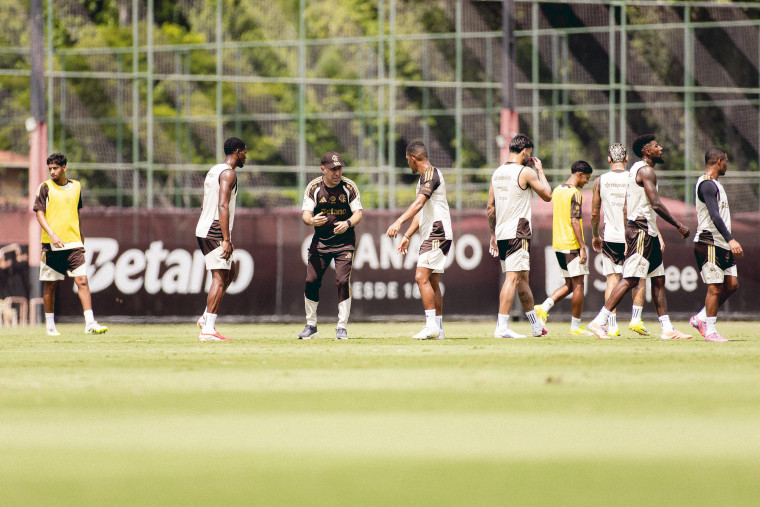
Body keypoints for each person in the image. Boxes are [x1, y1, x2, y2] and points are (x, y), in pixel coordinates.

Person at [587, 134, 692, 340]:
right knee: (630, 279)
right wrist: (678, 225)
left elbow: (628, 205)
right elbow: (656, 203)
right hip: (641, 231)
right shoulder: (645, 170)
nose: (661, 148)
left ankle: (667, 329)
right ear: (647, 151)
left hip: (646, 230)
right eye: (656, 146)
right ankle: (599, 321)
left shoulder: (634, 170)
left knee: (658, 280)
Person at [33, 153, 108, 336]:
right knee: (51, 285)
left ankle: (90, 323)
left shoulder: (76, 187)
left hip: (74, 243)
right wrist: (52, 235)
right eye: (50, 168)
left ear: (64, 167)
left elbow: (76, 214)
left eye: (55, 168)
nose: (52, 171)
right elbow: (39, 213)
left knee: (82, 281)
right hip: (52, 245)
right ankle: (50, 325)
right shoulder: (45, 187)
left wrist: (81, 238)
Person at [487, 133, 552, 338]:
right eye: (529, 154)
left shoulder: (497, 173)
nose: (529, 157)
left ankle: (535, 326)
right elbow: (548, 195)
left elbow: (490, 207)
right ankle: (502, 327)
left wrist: (492, 234)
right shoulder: (525, 172)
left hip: (502, 233)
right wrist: (540, 170)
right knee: (513, 278)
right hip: (518, 232)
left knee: (522, 278)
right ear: (524, 152)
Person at [386, 141, 452, 340]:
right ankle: (438, 329)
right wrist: (407, 235)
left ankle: (431, 326)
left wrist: (399, 221)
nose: (408, 164)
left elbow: (418, 203)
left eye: (408, 160)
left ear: (413, 159)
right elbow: (421, 211)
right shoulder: (425, 178)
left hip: (437, 233)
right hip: (435, 233)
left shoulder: (430, 174)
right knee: (432, 282)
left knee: (420, 277)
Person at [297, 151, 363, 340]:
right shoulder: (314, 187)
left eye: (339, 168)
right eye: (333, 169)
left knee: (342, 281)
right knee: (311, 281)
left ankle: (342, 327)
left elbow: (358, 213)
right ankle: (311, 326)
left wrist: (347, 223)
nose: (337, 173)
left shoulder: (349, 187)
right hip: (321, 242)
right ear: (323, 169)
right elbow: (306, 215)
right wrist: (311, 221)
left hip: (345, 243)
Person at [589, 143, 651, 336]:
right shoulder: (634, 176)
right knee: (638, 277)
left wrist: (595, 235)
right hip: (633, 234)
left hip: (610, 236)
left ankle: (612, 325)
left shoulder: (600, 181)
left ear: (609, 160)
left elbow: (594, 213)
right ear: (626, 159)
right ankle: (636, 319)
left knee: (612, 279)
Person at [195, 137, 247, 341]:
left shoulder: (214, 170)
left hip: (204, 227)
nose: (245, 157)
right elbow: (222, 205)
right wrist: (226, 238)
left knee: (230, 272)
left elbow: (204, 202)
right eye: (244, 153)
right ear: (237, 152)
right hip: (214, 229)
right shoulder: (228, 173)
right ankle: (208, 328)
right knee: (220, 277)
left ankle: (205, 316)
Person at [689, 147, 742, 342]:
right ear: (719, 161)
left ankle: (701, 318)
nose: (727, 165)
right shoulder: (706, 185)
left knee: (732, 285)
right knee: (715, 287)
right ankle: (710, 331)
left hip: (721, 245)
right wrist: (730, 239)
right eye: (726, 161)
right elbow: (714, 215)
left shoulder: (716, 185)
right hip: (709, 242)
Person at [534, 160, 593, 335]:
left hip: (558, 245)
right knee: (579, 285)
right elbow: (574, 221)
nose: (587, 182)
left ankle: (543, 307)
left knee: (569, 284)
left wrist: (540, 171)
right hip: (571, 245)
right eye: (587, 178)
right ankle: (576, 327)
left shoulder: (558, 190)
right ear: (580, 174)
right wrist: (582, 247)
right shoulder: (575, 194)